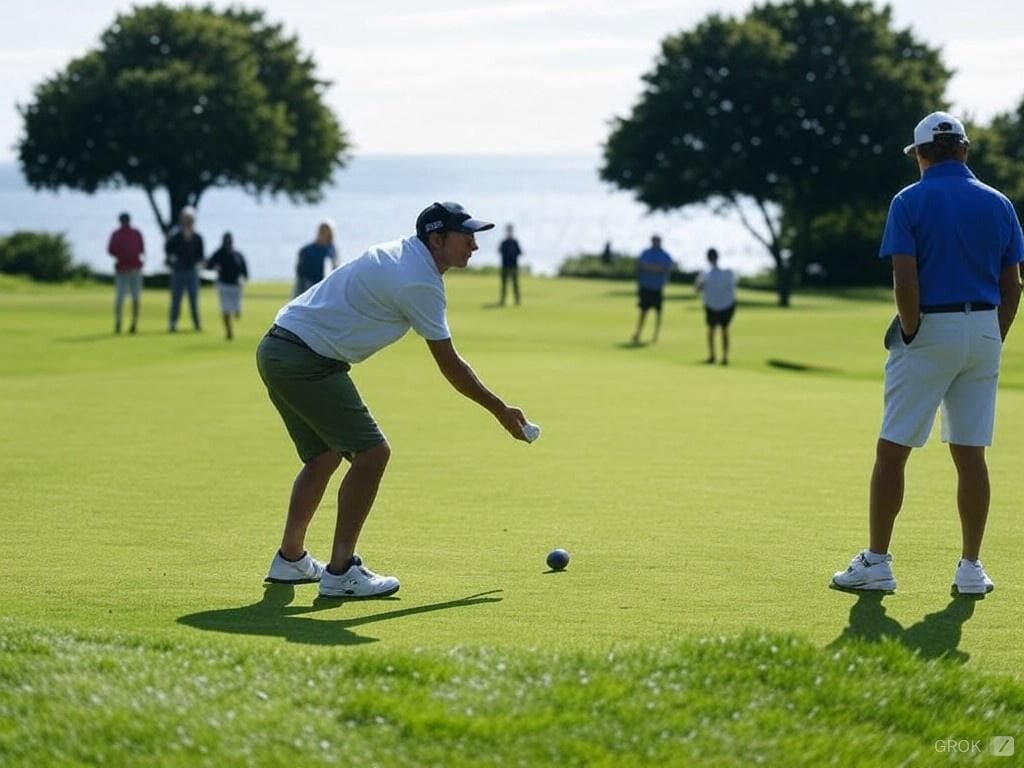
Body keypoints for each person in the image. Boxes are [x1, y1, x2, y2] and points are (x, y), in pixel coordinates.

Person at [257, 201, 533, 598]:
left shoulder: (406, 254)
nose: (474, 244)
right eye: (466, 235)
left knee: (325, 455)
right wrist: (500, 409)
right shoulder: (418, 280)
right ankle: (339, 572)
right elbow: (451, 365)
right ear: (437, 239)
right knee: (372, 454)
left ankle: (291, 559)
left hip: (278, 347)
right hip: (306, 358)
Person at [831, 111, 1023, 597]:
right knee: (970, 453)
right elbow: (1012, 284)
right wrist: (991, 335)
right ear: (964, 148)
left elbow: (905, 278)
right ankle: (971, 569)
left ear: (921, 154)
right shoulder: (999, 203)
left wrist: (913, 330)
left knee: (893, 449)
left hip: (929, 327)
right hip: (983, 328)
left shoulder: (908, 200)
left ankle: (876, 563)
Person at [164, 206, 205, 332]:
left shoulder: (198, 237)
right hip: (178, 271)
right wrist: (172, 259)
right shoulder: (175, 236)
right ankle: (173, 324)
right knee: (176, 299)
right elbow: (168, 249)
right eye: (186, 219)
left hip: (192, 271)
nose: (188, 222)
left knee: (194, 299)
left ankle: (197, 324)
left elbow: (201, 254)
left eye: (190, 219)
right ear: (182, 220)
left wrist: (200, 263)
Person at [695, 247, 737, 365]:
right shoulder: (726, 272)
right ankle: (722, 357)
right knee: (722, 330)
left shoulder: (706, 273)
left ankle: (714, 356)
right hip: (723, 305)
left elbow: (697, 289)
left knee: (714, 331)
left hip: (716, 305)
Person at [630, 235, 674, 344]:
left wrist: (652, 268)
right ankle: (638, 333)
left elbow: (666, 268)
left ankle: (655, 335)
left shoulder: (665, 255)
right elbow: (641, 266)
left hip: (657, 288)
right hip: (646, 287)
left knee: (658, 313)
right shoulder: (646, 253)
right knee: (643, 312)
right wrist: (655, 268)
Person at [205, 232, 249, 341]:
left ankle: (236, 312)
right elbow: (208, 265)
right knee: (225, 308)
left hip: (236, 284)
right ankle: (229, 330)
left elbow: (243, 267)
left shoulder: (237, 254)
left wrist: (245, 276)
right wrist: (215, 267)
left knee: (236, 306)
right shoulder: (218, 253)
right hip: (223, 283)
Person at [107, 212, 145, 334]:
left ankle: (130, 323)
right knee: (126, 298)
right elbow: (111, 250)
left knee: (130, 298)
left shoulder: (122, 234)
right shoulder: (121, 234)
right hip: (124, 269)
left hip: (132, 269)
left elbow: (111, 250)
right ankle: (124, 323)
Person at [294, 220, 338, 296]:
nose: (325, 234)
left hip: (326, 289)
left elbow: (335, 269)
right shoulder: (306, 250)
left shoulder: (332, 249)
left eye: (328, 232)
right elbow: (301, 276)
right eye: (323, 231)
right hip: (309, 289)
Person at [498, 224, 523, 306]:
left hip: (513, 267)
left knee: (515, 285)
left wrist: (512, 253)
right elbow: (500, 251)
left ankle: (517, 301)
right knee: (504, 285)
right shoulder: (504, 242)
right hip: (505, 266)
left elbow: (520, 252)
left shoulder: (515, 242)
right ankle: (502, 301)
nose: (509, 232)